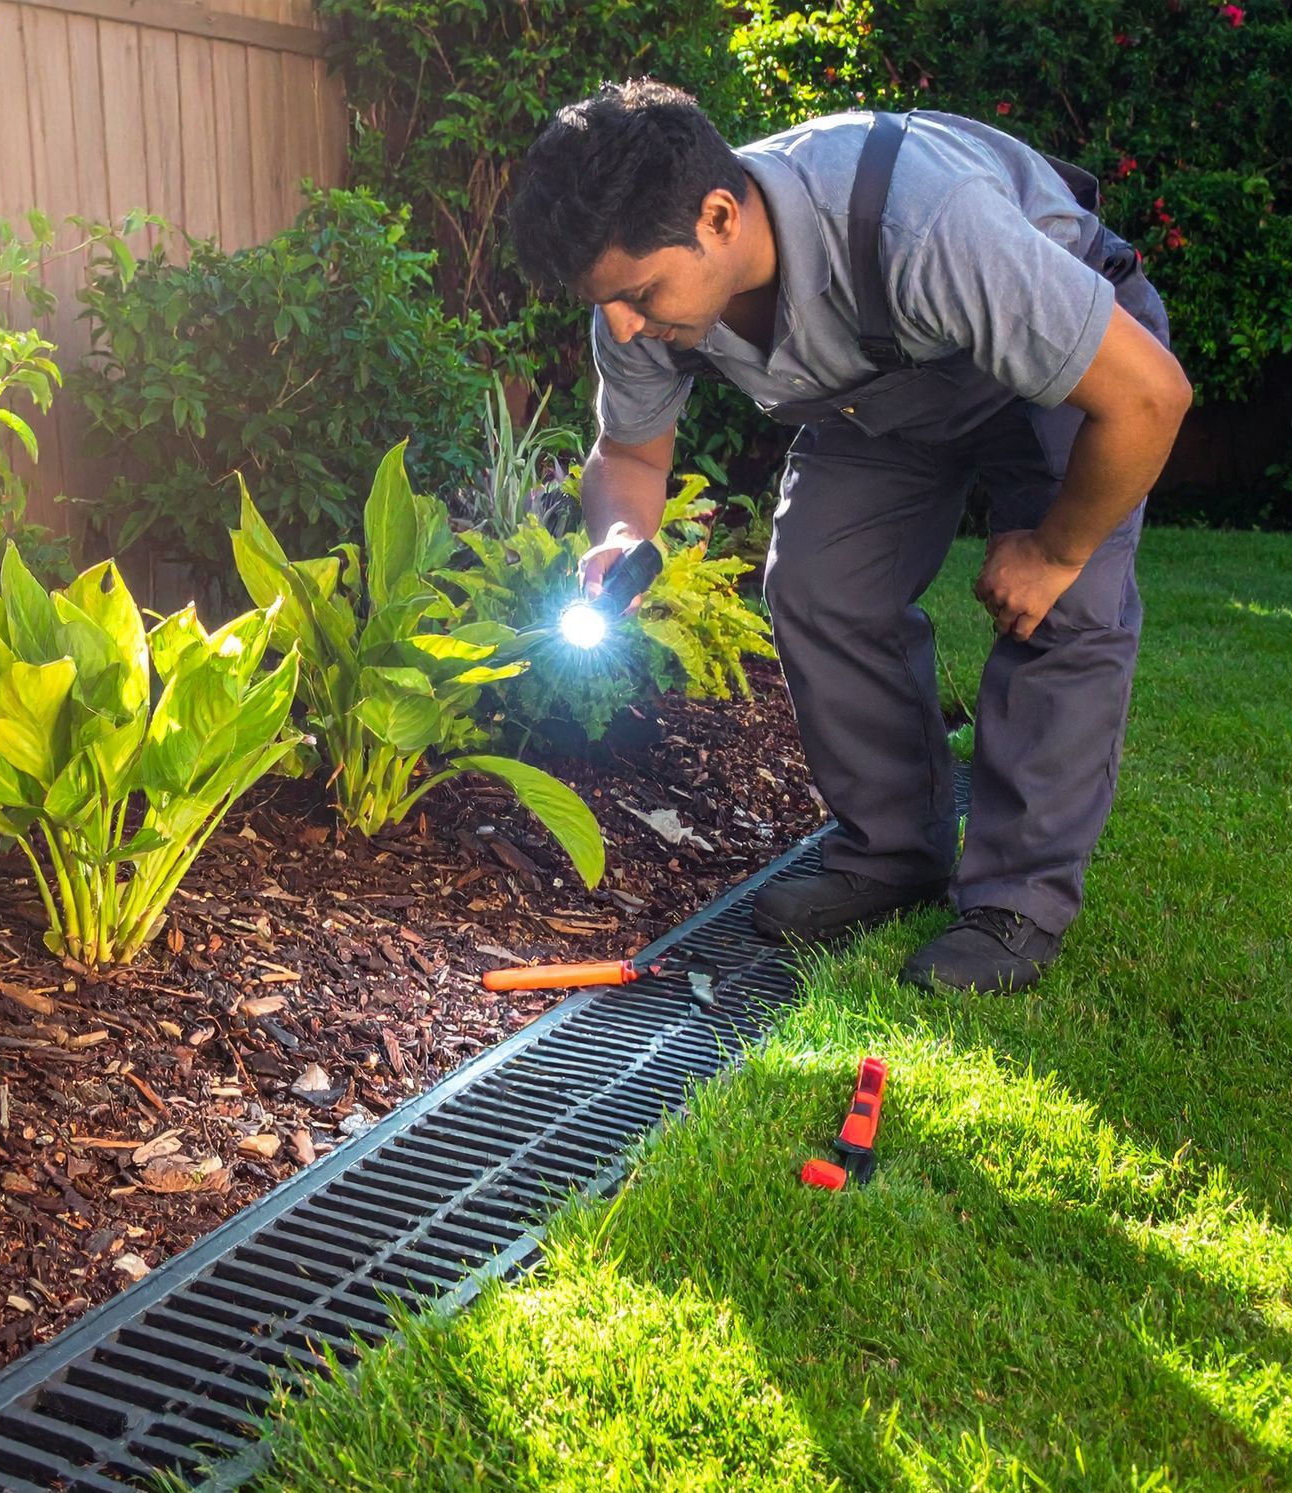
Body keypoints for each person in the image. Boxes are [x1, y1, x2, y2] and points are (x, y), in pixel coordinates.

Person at [508, 80, 1191, 993]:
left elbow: (1150, 398)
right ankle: (895, 852)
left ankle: (1014, 904)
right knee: (817, 585)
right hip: (892, 392)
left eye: (638, 294)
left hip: (1063, 370)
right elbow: (627, 452)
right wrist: (619, 534)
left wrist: (1056, 550)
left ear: (719, 216)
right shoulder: (638, 296)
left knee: (1064, 608)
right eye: (609, 303)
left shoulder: (923, 219)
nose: (624, 325)